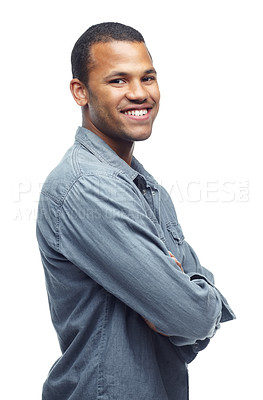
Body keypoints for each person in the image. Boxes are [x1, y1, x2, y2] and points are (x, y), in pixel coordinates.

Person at [36, 22, 235, 400]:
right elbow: (190, 316)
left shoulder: (144, 185)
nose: (140, 94)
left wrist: (184, 301)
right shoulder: (88, 187)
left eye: (148, 77)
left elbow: (195, 316)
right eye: (118, 81)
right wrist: (183, 299)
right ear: (81, 91)